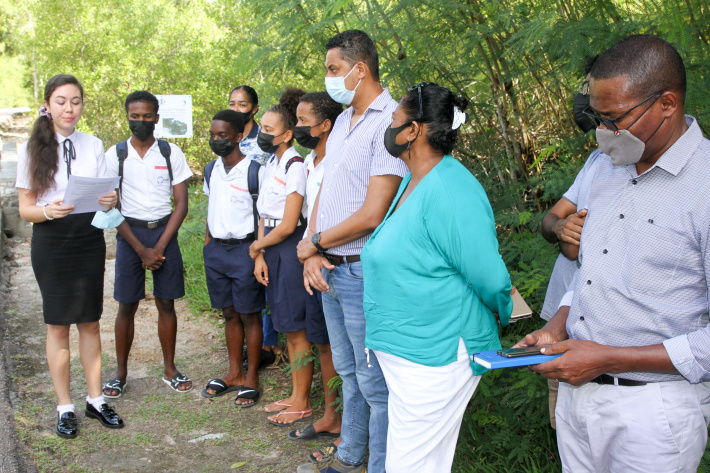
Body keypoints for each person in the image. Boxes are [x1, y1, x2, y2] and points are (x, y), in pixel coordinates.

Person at [517, 34, 710, 472]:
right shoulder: (603, 170)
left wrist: (607, 358)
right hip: (578, 398)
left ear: (667, 103)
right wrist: (559, 328)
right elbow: (592, 274)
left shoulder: (705, 186)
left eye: (615, 119)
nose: (604, 134)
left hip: (656, 412)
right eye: (598, 119)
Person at [361, 82, 513, 473]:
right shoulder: (415, 180)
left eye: (394, 120)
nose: (388, 128)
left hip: (438, 353)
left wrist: (504, 311)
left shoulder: (451, 188)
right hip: (409, 350)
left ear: (413, 130)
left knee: (408, 467)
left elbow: (489, 276)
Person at [296, 30, 408, 473]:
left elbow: (373, 213)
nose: (328, 78)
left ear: (360, 70)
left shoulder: (392, 122)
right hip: (328, 269)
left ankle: (378, 466)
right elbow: (324, 191)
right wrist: (311, 249)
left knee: (375, 383)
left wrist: (317, 243)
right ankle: (348, 456)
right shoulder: (343, 121)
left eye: (333, 70)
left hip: (362, 271)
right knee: (347, 372)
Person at [16, 74, 123, 438]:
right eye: (62, 101)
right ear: (48, 104)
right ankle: (65, 407)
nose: (69, 108)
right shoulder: (31, 149)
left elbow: (108, 194)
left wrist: (110, 198)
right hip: (52, 239)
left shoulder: (93, 144)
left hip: (88, 237)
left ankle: (96, 400)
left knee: (90, 322)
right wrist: (49, 211)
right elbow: (25, 210)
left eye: (76, 101)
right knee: (58, 325)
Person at [102, 91, 194, 398]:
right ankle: (120, 373)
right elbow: (109, 207)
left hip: (163, 234)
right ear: (127, 116)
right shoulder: (115, 155)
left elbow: (181, 204)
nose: (141, 122)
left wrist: (160, 246)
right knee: (126, 305)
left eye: (147, 116)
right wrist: (141, 250)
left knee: (166, 303)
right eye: (134, 116)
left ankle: (170, 369)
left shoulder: (170, 153)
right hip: (129, 235)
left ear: (157, 117)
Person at [539, 54, 600, 427]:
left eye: (591, 87)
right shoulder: (597, 162)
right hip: (562, 315)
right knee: (563, 425)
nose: (587, 97)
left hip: (601, 334)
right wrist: (561, 230)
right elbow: (550, 220)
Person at [248, 88, 315, 424]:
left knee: (297, 329)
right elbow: (264, 215)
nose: (262, 133)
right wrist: (260, 254)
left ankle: (303, 400)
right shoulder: (268, 163)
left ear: (288, 134)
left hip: (288, 249)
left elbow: (289, 224)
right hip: (269, 248)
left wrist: (258, 247)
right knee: (285, 326)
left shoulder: (295, 165)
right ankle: (294, 394)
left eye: (269, 129)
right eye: (261, 127)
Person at [288, 92, 343, 442]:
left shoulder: (338, 160)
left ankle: (349, 424)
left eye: (304, 121)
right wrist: (307, 253)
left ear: (325, 126)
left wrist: (315, 249)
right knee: (323, 342)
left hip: (336, 260)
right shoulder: (309, 160)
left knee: (345, 349)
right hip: (311, 259)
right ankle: (331, 415)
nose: (298, 127)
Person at [201, 110, 265, 406]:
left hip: (245, 250)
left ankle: (251, 376)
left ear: (239, 137)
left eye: (223, 136)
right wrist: (208, 242)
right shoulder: (211, 169)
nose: (217, 140)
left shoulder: (255, 170)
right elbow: (212, 206)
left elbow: (264, 215)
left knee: (249, 314)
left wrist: (258, 251)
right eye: (213, 135)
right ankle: (234, 372)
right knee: (228, 313)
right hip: (217, 251)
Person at [229, 85, 278, 368]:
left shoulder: (264, 139)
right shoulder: (226, 136)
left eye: (242, 104)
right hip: (236, 222)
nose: (237, 109)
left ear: (254, 108)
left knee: (266, 282)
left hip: (264, 219)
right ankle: (249, 344)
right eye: (232, 104)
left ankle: (269, 344)